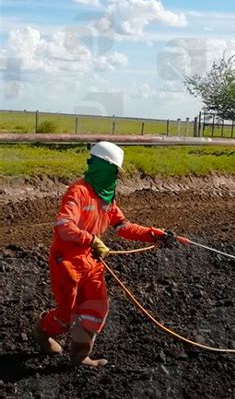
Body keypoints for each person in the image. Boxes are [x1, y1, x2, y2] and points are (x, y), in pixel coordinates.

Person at [32, 141, 175, 367]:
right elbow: (63, 226)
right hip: (67, 262)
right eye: (116, 172)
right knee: (66, 315)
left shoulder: (107, 199)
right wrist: (91, 239)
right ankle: (42, 332)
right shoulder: (78, 192)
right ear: (104, 168)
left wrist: (153, 234)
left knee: (97, 309)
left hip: (92, 260)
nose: (117, 177)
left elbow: (123, 227)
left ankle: (79, 357)